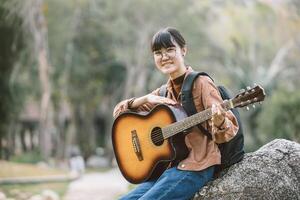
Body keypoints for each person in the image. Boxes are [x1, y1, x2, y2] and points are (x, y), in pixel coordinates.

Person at [113, 27, 239, 200]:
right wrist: (146, 99)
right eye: (158, 52)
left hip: (197, 167)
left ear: (183, 50)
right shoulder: (163, 93)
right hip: (169, 169)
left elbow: (229, 129)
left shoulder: (201, 83)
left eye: (170, 50)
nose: (164, 57)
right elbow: (119, 113)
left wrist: (219, 121)